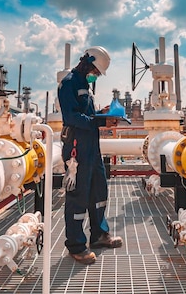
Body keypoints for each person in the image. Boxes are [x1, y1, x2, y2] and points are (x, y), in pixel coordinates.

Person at [57, 46, 123, 265]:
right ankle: (76, 245)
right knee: (78, 196)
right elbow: (72, 117)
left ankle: (99, 235)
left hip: (92, 148)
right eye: (95, 69)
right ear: (87, 62)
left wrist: (103, 114)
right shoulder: (69, 83)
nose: (96, 74)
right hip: (76, 147)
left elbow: (87, 115)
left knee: (98, 190)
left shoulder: (86, 84)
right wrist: (100, 122)